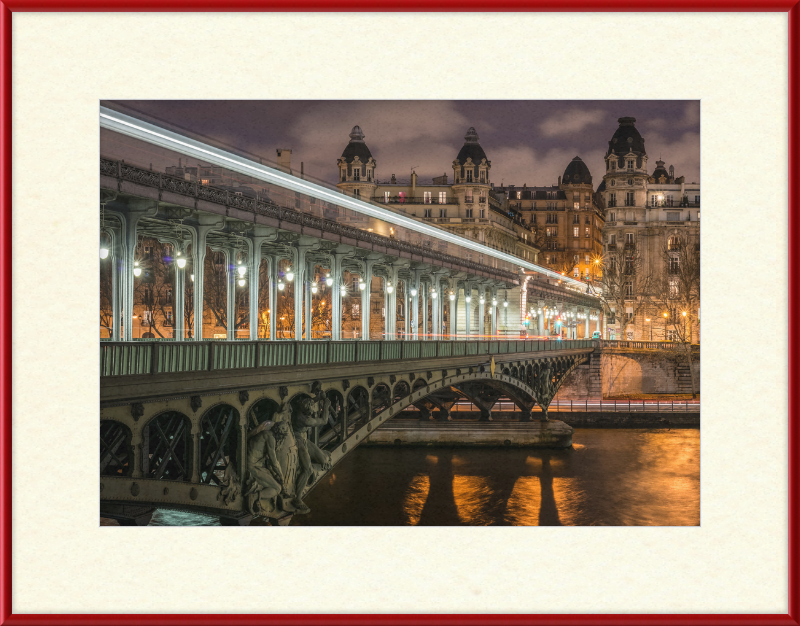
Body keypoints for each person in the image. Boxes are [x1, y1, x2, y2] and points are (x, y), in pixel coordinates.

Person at [290, 395, 333, 513]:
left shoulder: (298, 409)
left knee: (324, 461)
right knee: (307, 469)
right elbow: (324, 420)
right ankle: (297, 499)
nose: (311, 412)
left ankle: (318, 463)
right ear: (304, 411)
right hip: (296, 440)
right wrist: (326, 405)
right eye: (309, 411)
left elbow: (307, 402)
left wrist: (317, 398)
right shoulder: (304, 419)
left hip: (303, 438)